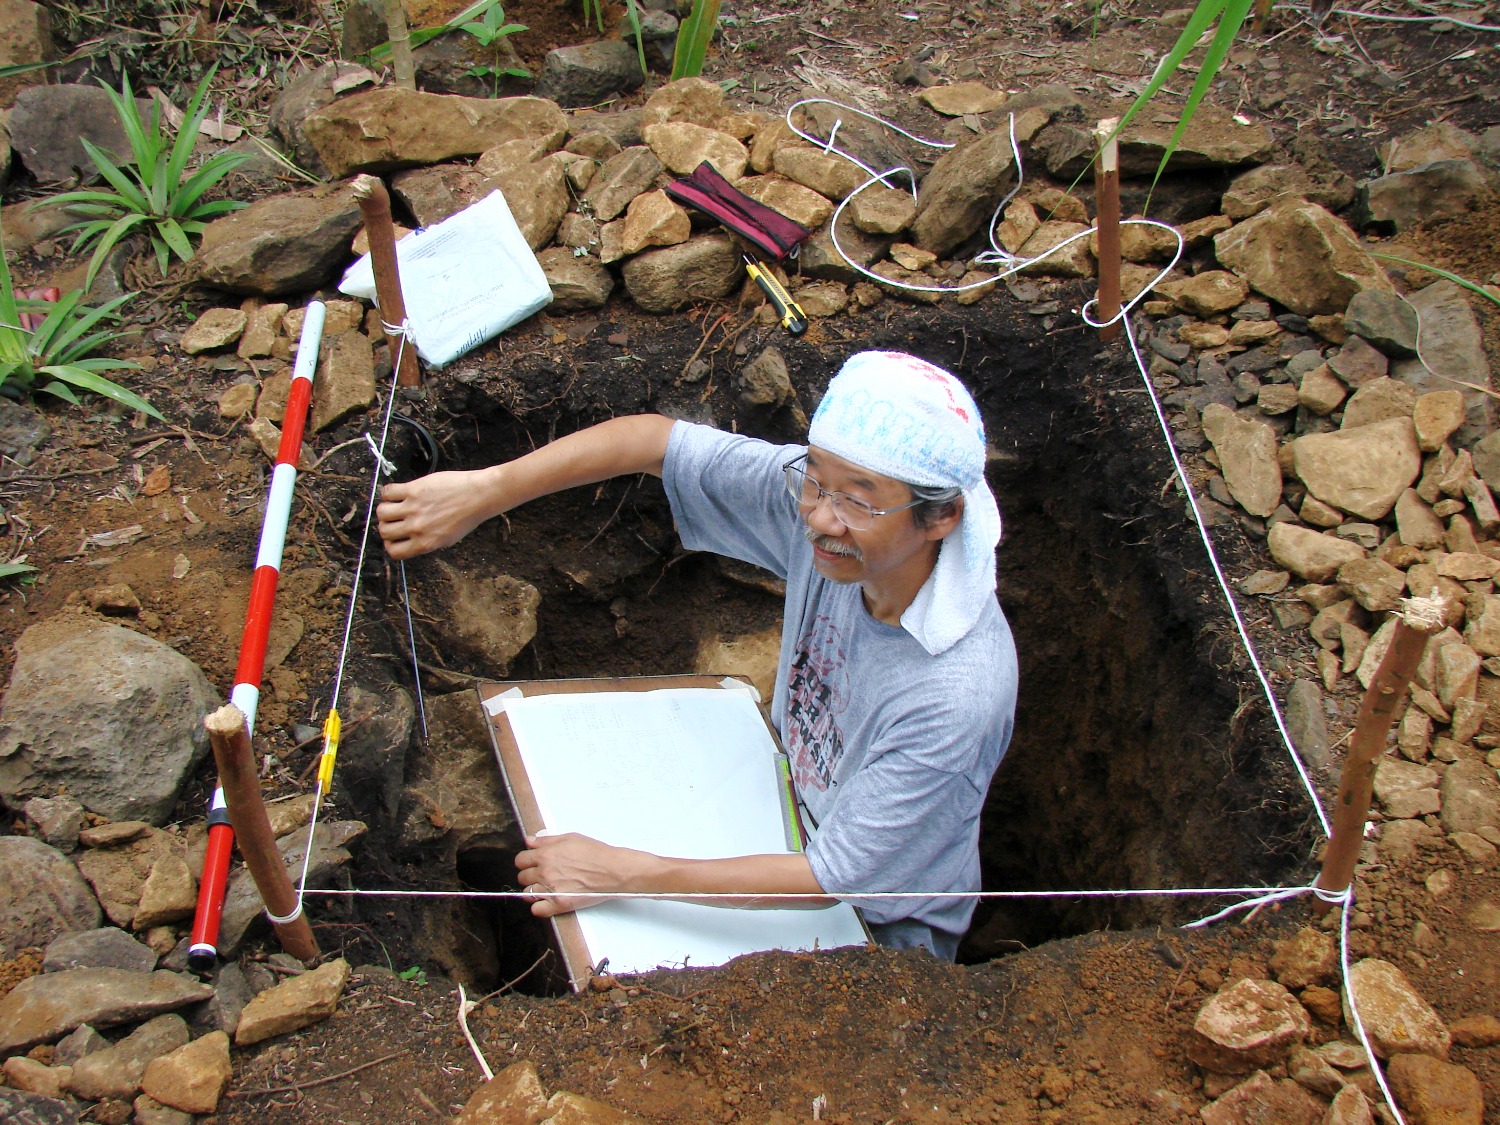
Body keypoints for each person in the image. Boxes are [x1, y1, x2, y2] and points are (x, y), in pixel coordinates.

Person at [376, 351, 1018, 960]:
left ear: (940, 518)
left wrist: (623, 873)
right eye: (815, 481)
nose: (821, 519)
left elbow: (834, 876)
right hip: (779, 804)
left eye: (857, 498)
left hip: (875, 933)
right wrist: (485, 492)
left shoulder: (954, 691)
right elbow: (656, 442)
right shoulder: (833, 511)